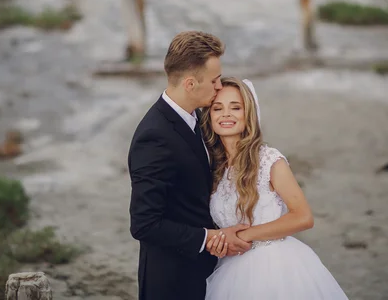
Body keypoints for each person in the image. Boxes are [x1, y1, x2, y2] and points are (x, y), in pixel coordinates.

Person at [128, 32, 252, 300]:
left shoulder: (197, 117)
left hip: (205, 272)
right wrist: (209, 238)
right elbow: (144, 224)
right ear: (190, 84)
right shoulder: (154, 137)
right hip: (172, 281)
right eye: (214, 80)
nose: (219, 87)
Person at [200, 77, 349, 299]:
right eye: (217, 108)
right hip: (230, 271)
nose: (226, 114)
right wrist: (220, 241)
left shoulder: (268, 160)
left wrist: (246, 235)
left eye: (236, 107)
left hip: (275, 266)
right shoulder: (214, 168)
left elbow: (303, 217)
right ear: (209, 116)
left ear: (248, 113)